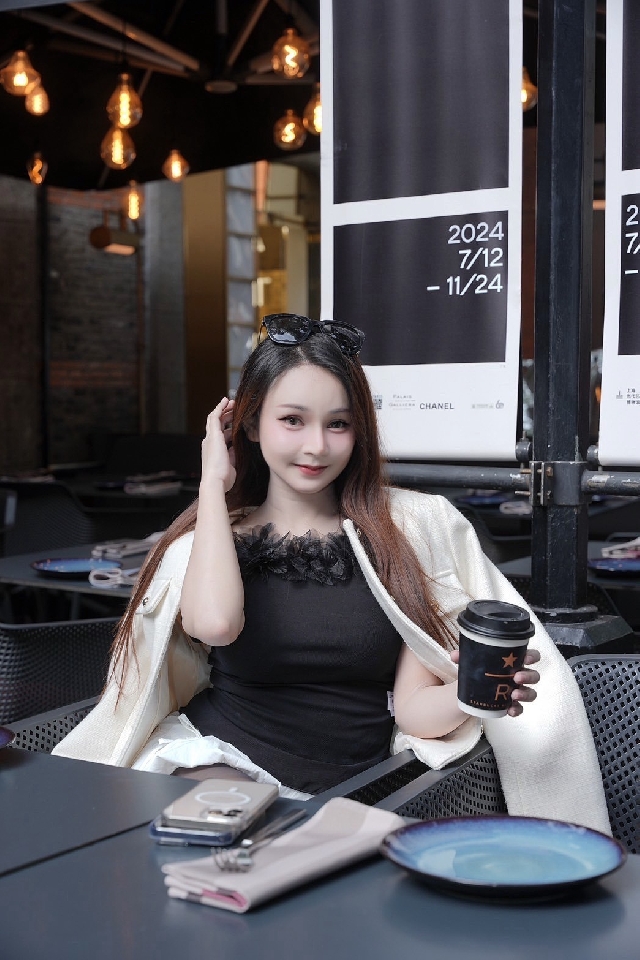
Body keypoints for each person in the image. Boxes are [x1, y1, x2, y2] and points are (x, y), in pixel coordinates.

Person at [54, 314, 610, 833]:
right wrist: (212, 486)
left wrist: (470, 693)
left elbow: (414, 711)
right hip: (218, 763)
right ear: (250, 424)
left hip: (354, 792)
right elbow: (215, 625)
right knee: (240, 845)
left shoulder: (407, 536)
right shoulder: (216, 540)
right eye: (292, 420)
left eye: (338, 424)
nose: (316, 446)